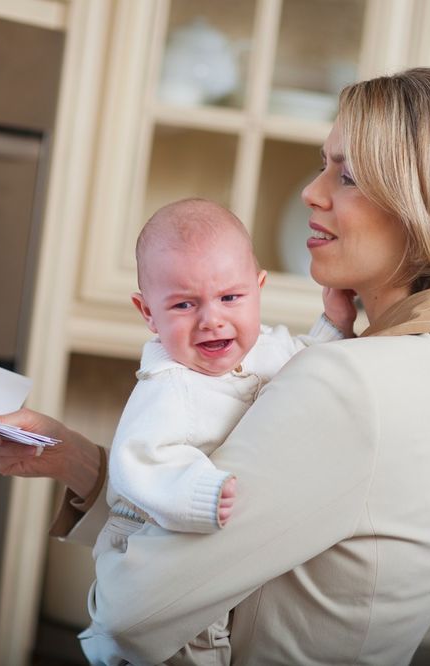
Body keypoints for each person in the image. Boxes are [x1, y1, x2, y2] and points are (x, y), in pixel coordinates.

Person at [0, 67, 430, 665]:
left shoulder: (351, 385)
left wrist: (123, 568)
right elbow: (248, 538)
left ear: (428, 208)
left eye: (347, 175)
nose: (312, 193)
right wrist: (77, 460)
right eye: (325, 165)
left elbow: (131, 614)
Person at [93, 197, 354, 664]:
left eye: (230, 298)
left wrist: (334, 324)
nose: (211, 319)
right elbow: (140, 460)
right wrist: (199, 493)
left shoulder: (270, 349)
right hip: (153, 538)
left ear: (258, 289)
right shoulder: (167, 387)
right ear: (147, 312)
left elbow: (310, 366)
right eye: (183, 304)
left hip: (217, 559)